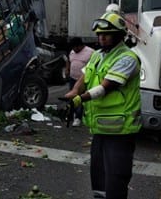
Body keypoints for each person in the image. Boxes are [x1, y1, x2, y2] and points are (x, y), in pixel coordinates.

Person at [64, 11, 141, 199]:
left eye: (107, 34)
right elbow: (84, 76)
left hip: (120, 131)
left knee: (116, 178)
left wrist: (80, 99)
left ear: (120, 36)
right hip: (100, 129)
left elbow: (106, 86)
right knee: (99, 178)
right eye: (99, 34)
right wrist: (74, 91)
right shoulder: (97, 56)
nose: (102, 38)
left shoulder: (127, 58)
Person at [65, 37, 94, 127]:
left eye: (75, 48)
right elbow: (68, 60)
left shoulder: (90, 52)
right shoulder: (72, 52)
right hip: (73, 78)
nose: (74, 50)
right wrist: (67, 69)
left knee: (81, 98)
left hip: (83, 80)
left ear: (80, 46)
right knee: (72, 98)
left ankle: (78, 117)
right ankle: (72, 115)